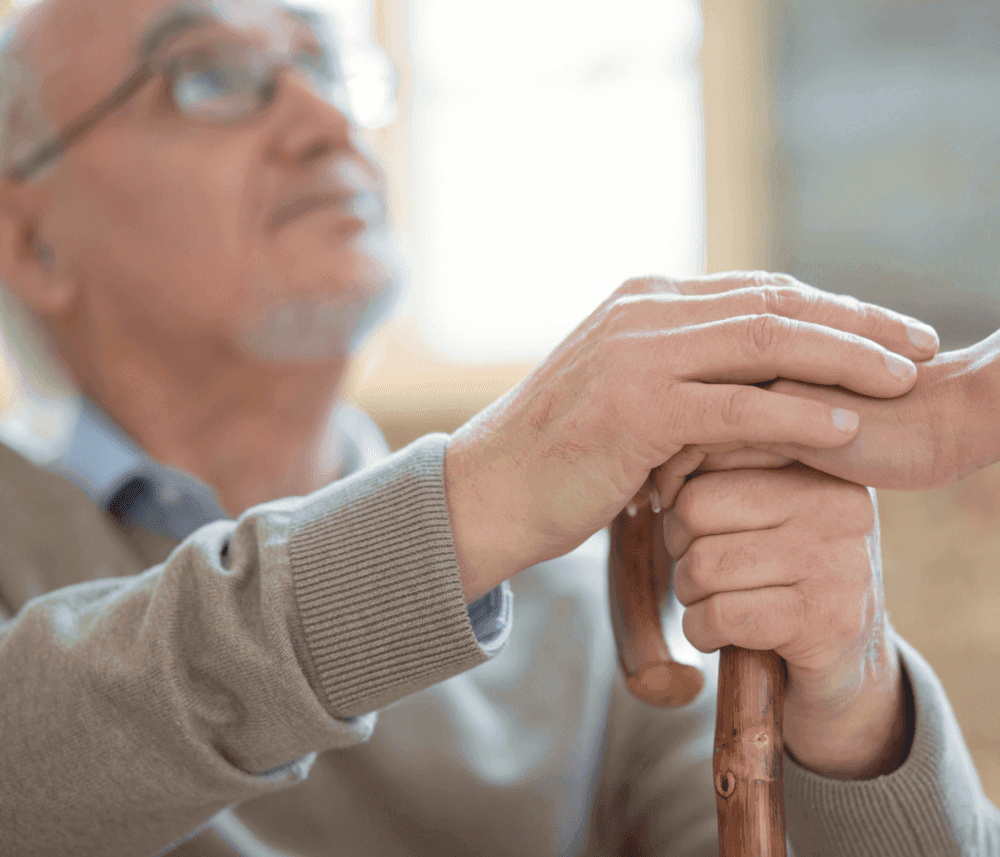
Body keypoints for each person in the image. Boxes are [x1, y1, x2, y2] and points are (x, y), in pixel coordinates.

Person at [0, 0, 994, 855]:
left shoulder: (588, 611)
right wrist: (475, 500)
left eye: (319, 64)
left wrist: (857, 717)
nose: (320, 118)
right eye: (207, 75)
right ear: (33, 240)